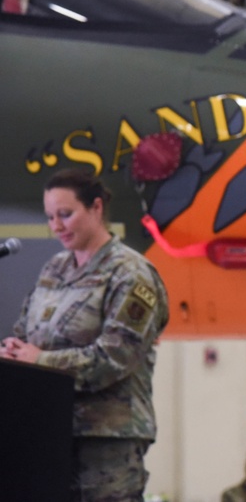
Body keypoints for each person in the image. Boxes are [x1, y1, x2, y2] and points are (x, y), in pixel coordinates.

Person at [0, 168, 170, 501]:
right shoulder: (55, 269)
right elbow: (24, 333)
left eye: (66, 214)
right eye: (50, 217)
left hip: (106, 442)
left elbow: (115, 356)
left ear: (96, 208)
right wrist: (12, 352)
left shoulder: (131, 274)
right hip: (48, 434)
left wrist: (42, 361)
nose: (56, 226)